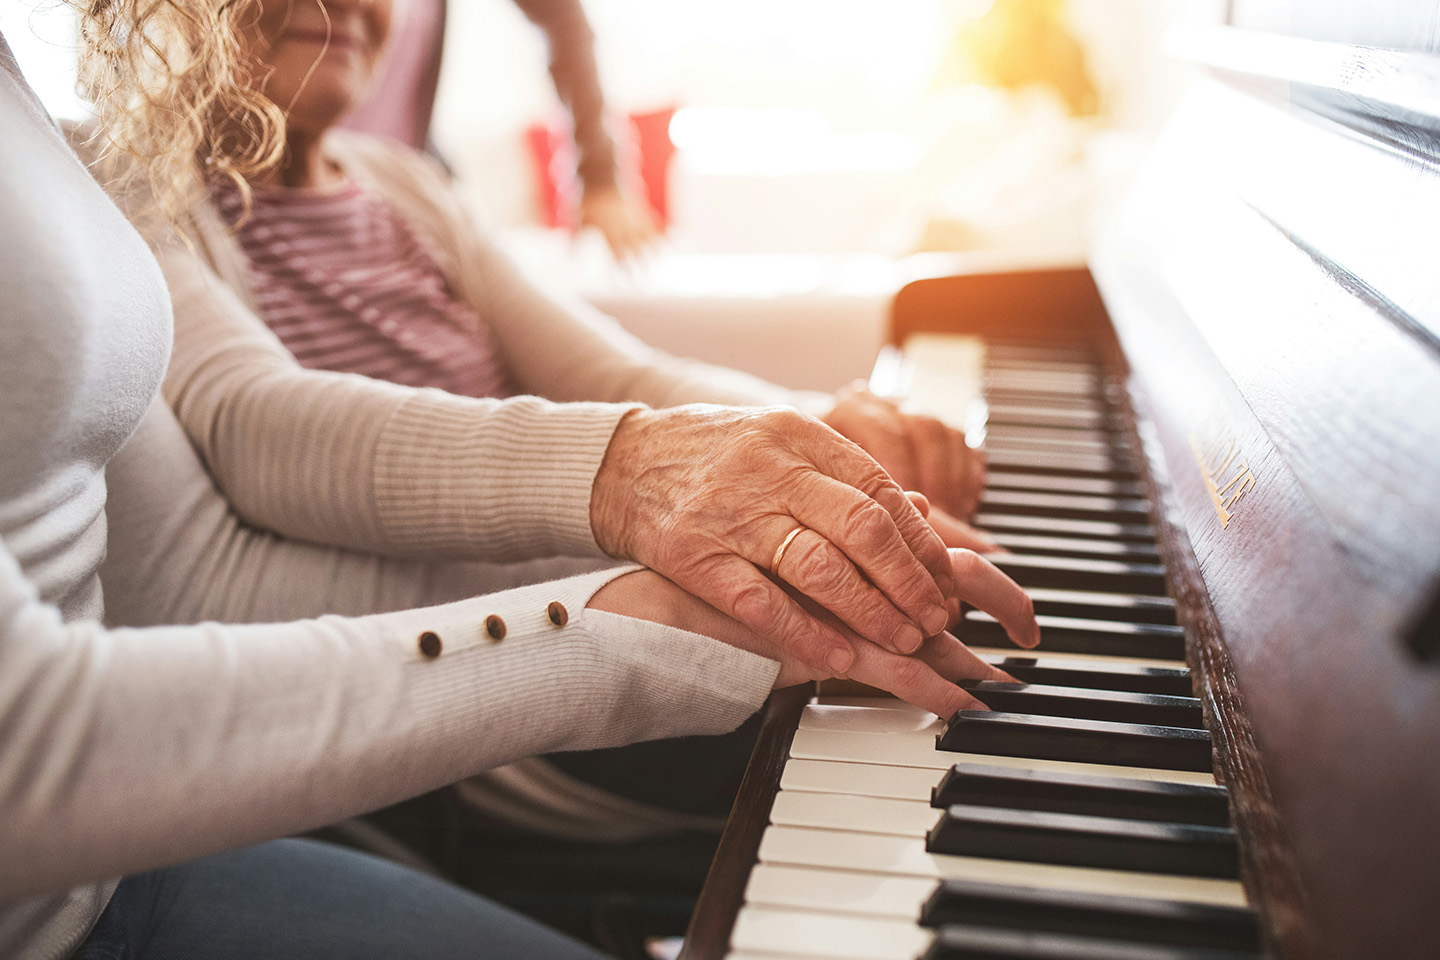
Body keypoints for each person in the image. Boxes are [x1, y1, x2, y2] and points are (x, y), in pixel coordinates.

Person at [0, 7, 1040, 960]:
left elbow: (616, 377)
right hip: (459, 665)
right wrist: (648, 516)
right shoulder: (136, 186)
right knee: (937, 745)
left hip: (583, 598)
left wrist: (806, 436)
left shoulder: (402, 183)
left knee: (943, 676)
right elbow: (261, 425)